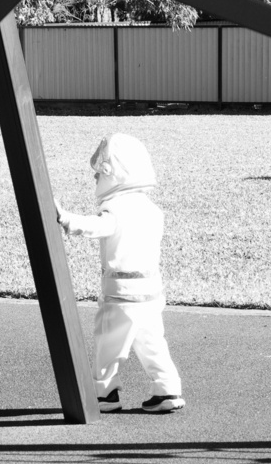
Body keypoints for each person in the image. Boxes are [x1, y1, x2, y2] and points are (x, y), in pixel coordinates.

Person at [54, 132, 185, 414]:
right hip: (150, 293)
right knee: (152, 344)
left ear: (114, 173)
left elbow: (98, 227)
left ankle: (105, 392)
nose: (95, 179)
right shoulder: (151, 209)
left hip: (121, 295)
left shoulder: (116, 208)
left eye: (99, 173)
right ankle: (167, 389)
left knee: (108, 344)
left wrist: (65, 219)